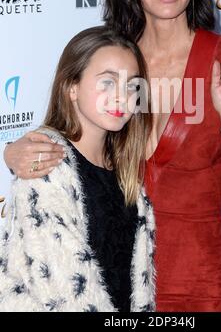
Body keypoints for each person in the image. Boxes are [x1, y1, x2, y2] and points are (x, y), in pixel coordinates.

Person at [3, 0, 221, 312]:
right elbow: (74, 136)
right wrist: (17, 150)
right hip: (114, 281)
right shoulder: (117, 59)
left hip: (197, 281)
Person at [0, 27, 155, 312]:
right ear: (72, 87)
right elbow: (63, 292)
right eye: (107, 82)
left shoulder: (124, 163)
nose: (121, 96)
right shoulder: (47, 162)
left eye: (132, 85)